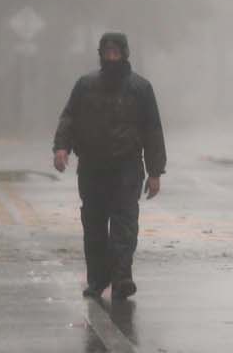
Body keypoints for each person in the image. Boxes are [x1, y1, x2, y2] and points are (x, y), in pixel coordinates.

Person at [53, 32, 166, 300]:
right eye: (108, 53)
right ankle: (97, 279)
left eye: (116, 53)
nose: (112, 57)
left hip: (127, 167)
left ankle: (122, 277)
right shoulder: (85, 85)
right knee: (93, 226)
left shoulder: (141, 88)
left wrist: (155, 172)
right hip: (92, 168)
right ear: (101, 54)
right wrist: (61, 148)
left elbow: (153, 131)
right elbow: (69, 117)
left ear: (125, 54)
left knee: (124, 225)